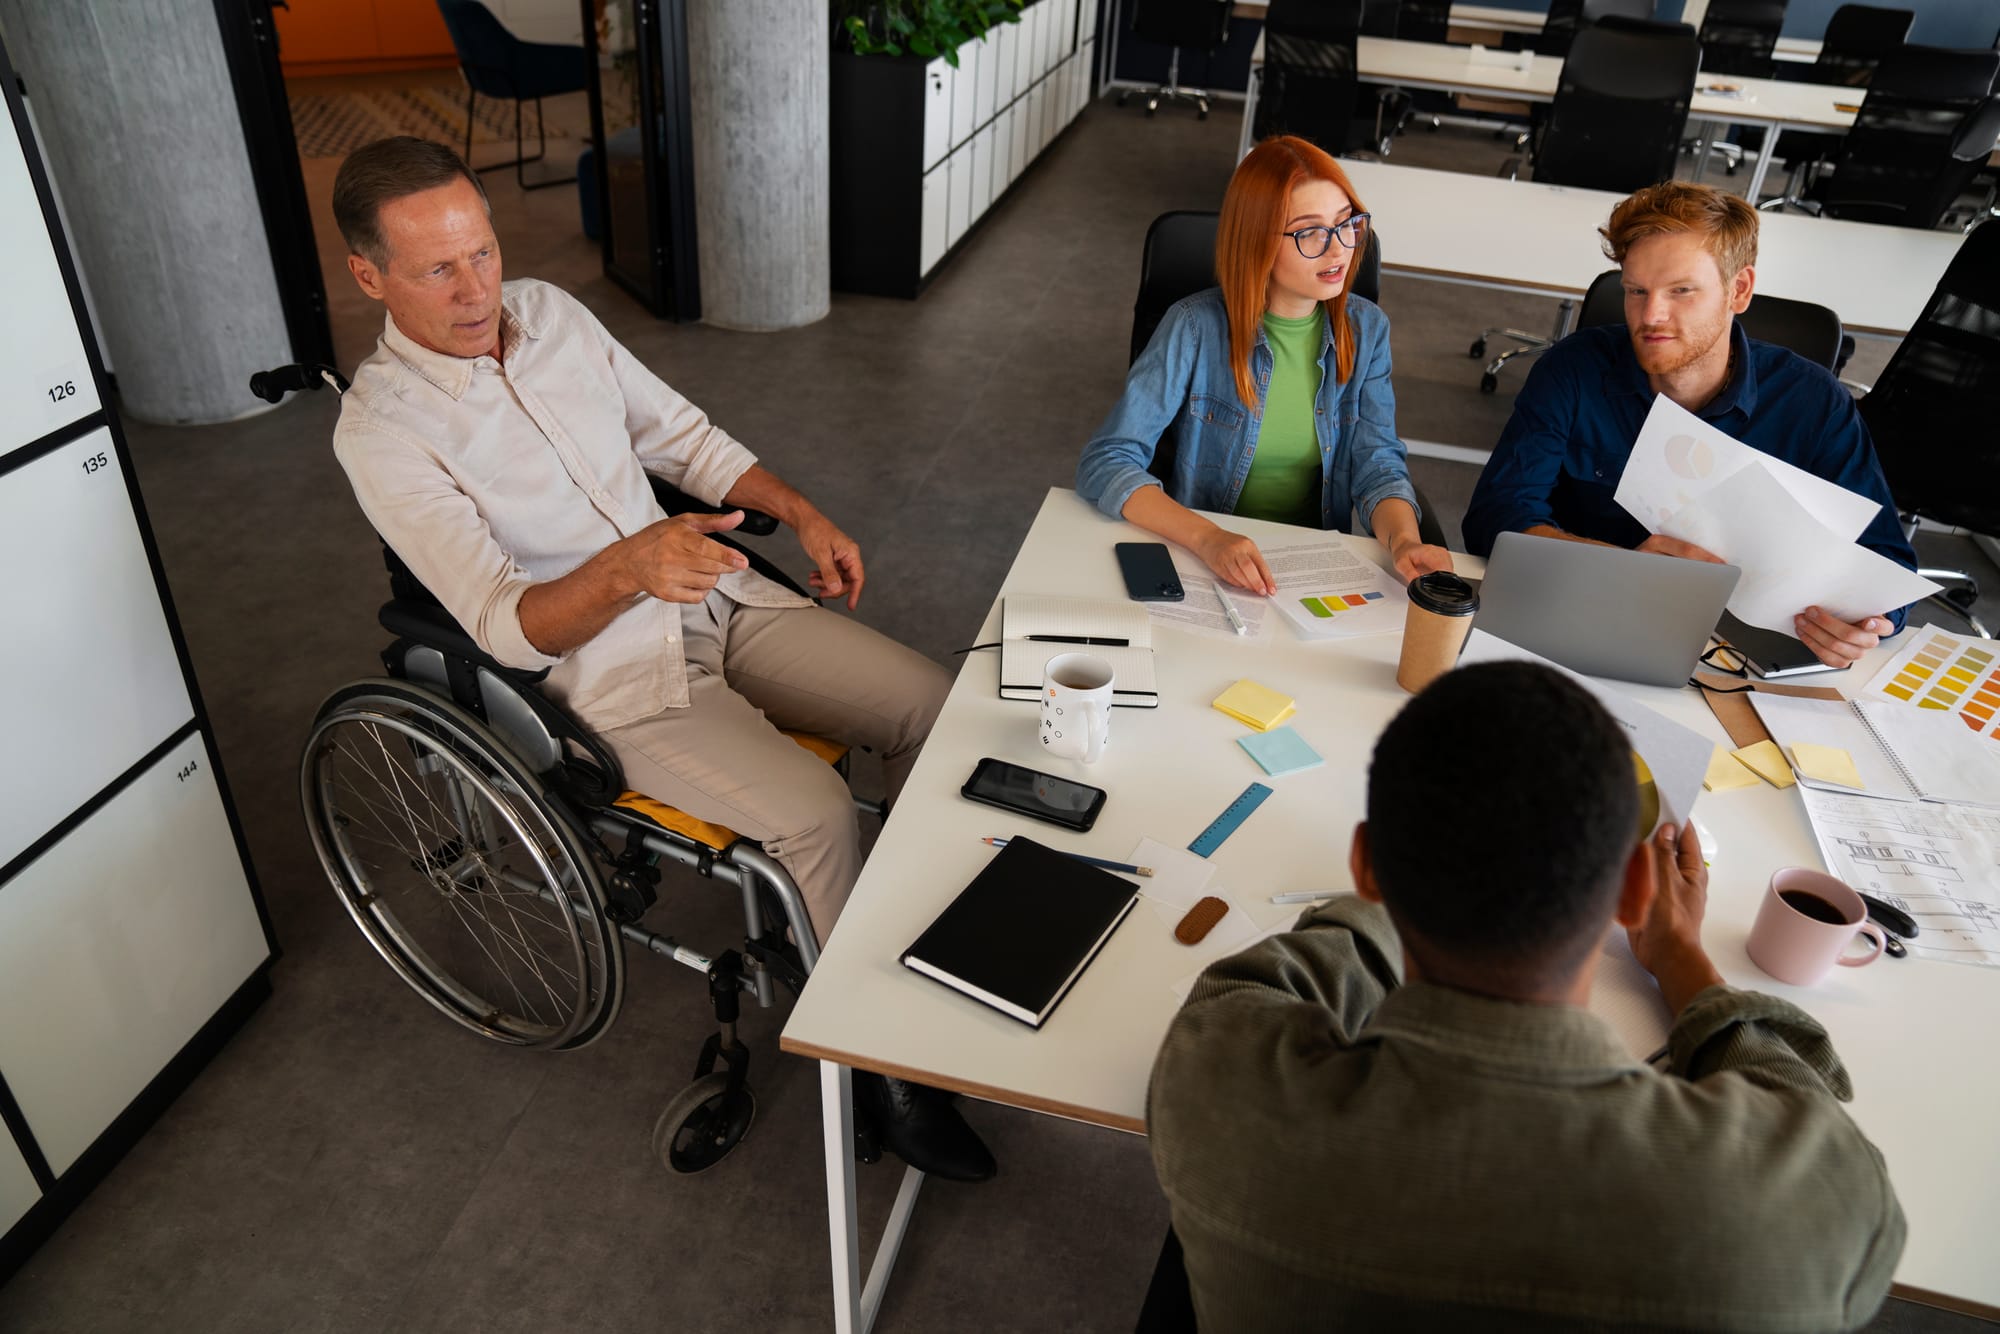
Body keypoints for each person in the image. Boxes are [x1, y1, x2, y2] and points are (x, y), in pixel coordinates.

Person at [328, 137, 989, 1182]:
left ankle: (912, 952)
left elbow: (683, 438)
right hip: (605, 680)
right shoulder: (383, 433)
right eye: (438, 269)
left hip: (713, 592)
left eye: (484, 252)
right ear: (370, 276)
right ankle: (875, 1068)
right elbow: (503, 624)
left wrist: (802, 512)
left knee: (937, 708)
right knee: (815, 812)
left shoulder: (549, 313)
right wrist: (629, 565)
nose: (478, 289)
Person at [1148, 661, 1905, 1332]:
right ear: (1635, 891)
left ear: (1366, 866)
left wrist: (1418, 870)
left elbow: (1259, 985)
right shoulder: (1801, 1208)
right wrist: (1679, 955)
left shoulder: (1213, 1084)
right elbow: (1795, 1098)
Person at [1461, 180, 1918, 669]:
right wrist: (1617, 565)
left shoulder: (1812, 401)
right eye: (1636, 291)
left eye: (1681, 291)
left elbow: (1887, 561)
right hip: (1585, 621)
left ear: (1738, 290)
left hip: (1739, 654)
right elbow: (1496, 515)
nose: (1651, 315)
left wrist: (1870, 624)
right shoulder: (1573, 369)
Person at [1076, 136, 1452, 596]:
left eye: (1345, 223)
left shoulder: (1366, 328)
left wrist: (1403, 540)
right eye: (1309, 231)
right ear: (1257, 241)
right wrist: (1208, 537)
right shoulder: (1193, 328)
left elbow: (1376, 464)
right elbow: (1107, 461)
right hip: (1209, 565)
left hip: (1310, 568)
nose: (1338, 250)